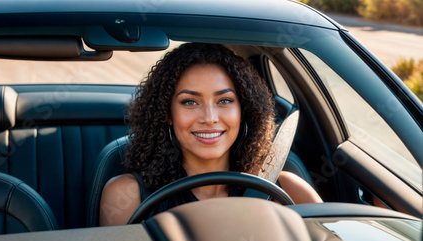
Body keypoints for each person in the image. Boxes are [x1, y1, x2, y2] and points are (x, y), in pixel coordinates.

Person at [99, 43, 322, 226]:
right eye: (190, 102)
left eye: (224, 100)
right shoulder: (127, 196)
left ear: (243, 111)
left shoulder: (285, 189)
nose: (209, 117)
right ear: (167, 114)